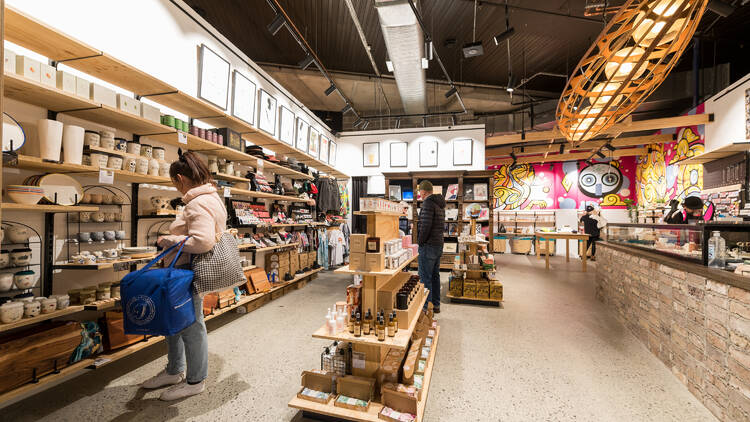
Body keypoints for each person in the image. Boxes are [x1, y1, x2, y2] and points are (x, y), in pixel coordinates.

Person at [142, 151, 227, 401]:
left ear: (180, 178)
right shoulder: (211, 198)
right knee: (177, 322)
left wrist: (168, 239)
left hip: (187, 272)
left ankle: (195, 380)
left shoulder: (198, 203)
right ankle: (174, 370)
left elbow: (202, 241)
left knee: (191, 325)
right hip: (183, 271)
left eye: (173, 183)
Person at [417, 180, 445, 313]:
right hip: (438, 244)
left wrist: (420, 241)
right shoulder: (439, 204)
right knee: (435, 275)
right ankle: (436, 305)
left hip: (428, 246)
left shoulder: (428, 203)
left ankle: (426, 309)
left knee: (425, 277)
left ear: (423, 192)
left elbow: (425, 226)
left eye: (420, 192)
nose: (420, 195)